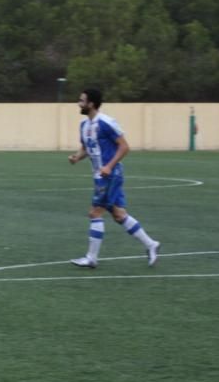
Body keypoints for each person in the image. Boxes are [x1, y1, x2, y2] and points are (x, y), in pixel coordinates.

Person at [68, 88, 160, 268]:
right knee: (118, 215)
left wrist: (109, 166)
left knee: (95, 213)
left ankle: (91, 258)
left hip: (110, 176)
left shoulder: (106, 123)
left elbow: (124, 147)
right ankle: (151, 244)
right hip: (99, 176)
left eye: (82, 100)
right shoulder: (84, 125)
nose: (78, 103)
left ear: (91, 104)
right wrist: (77, 157)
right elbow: (87, 148)